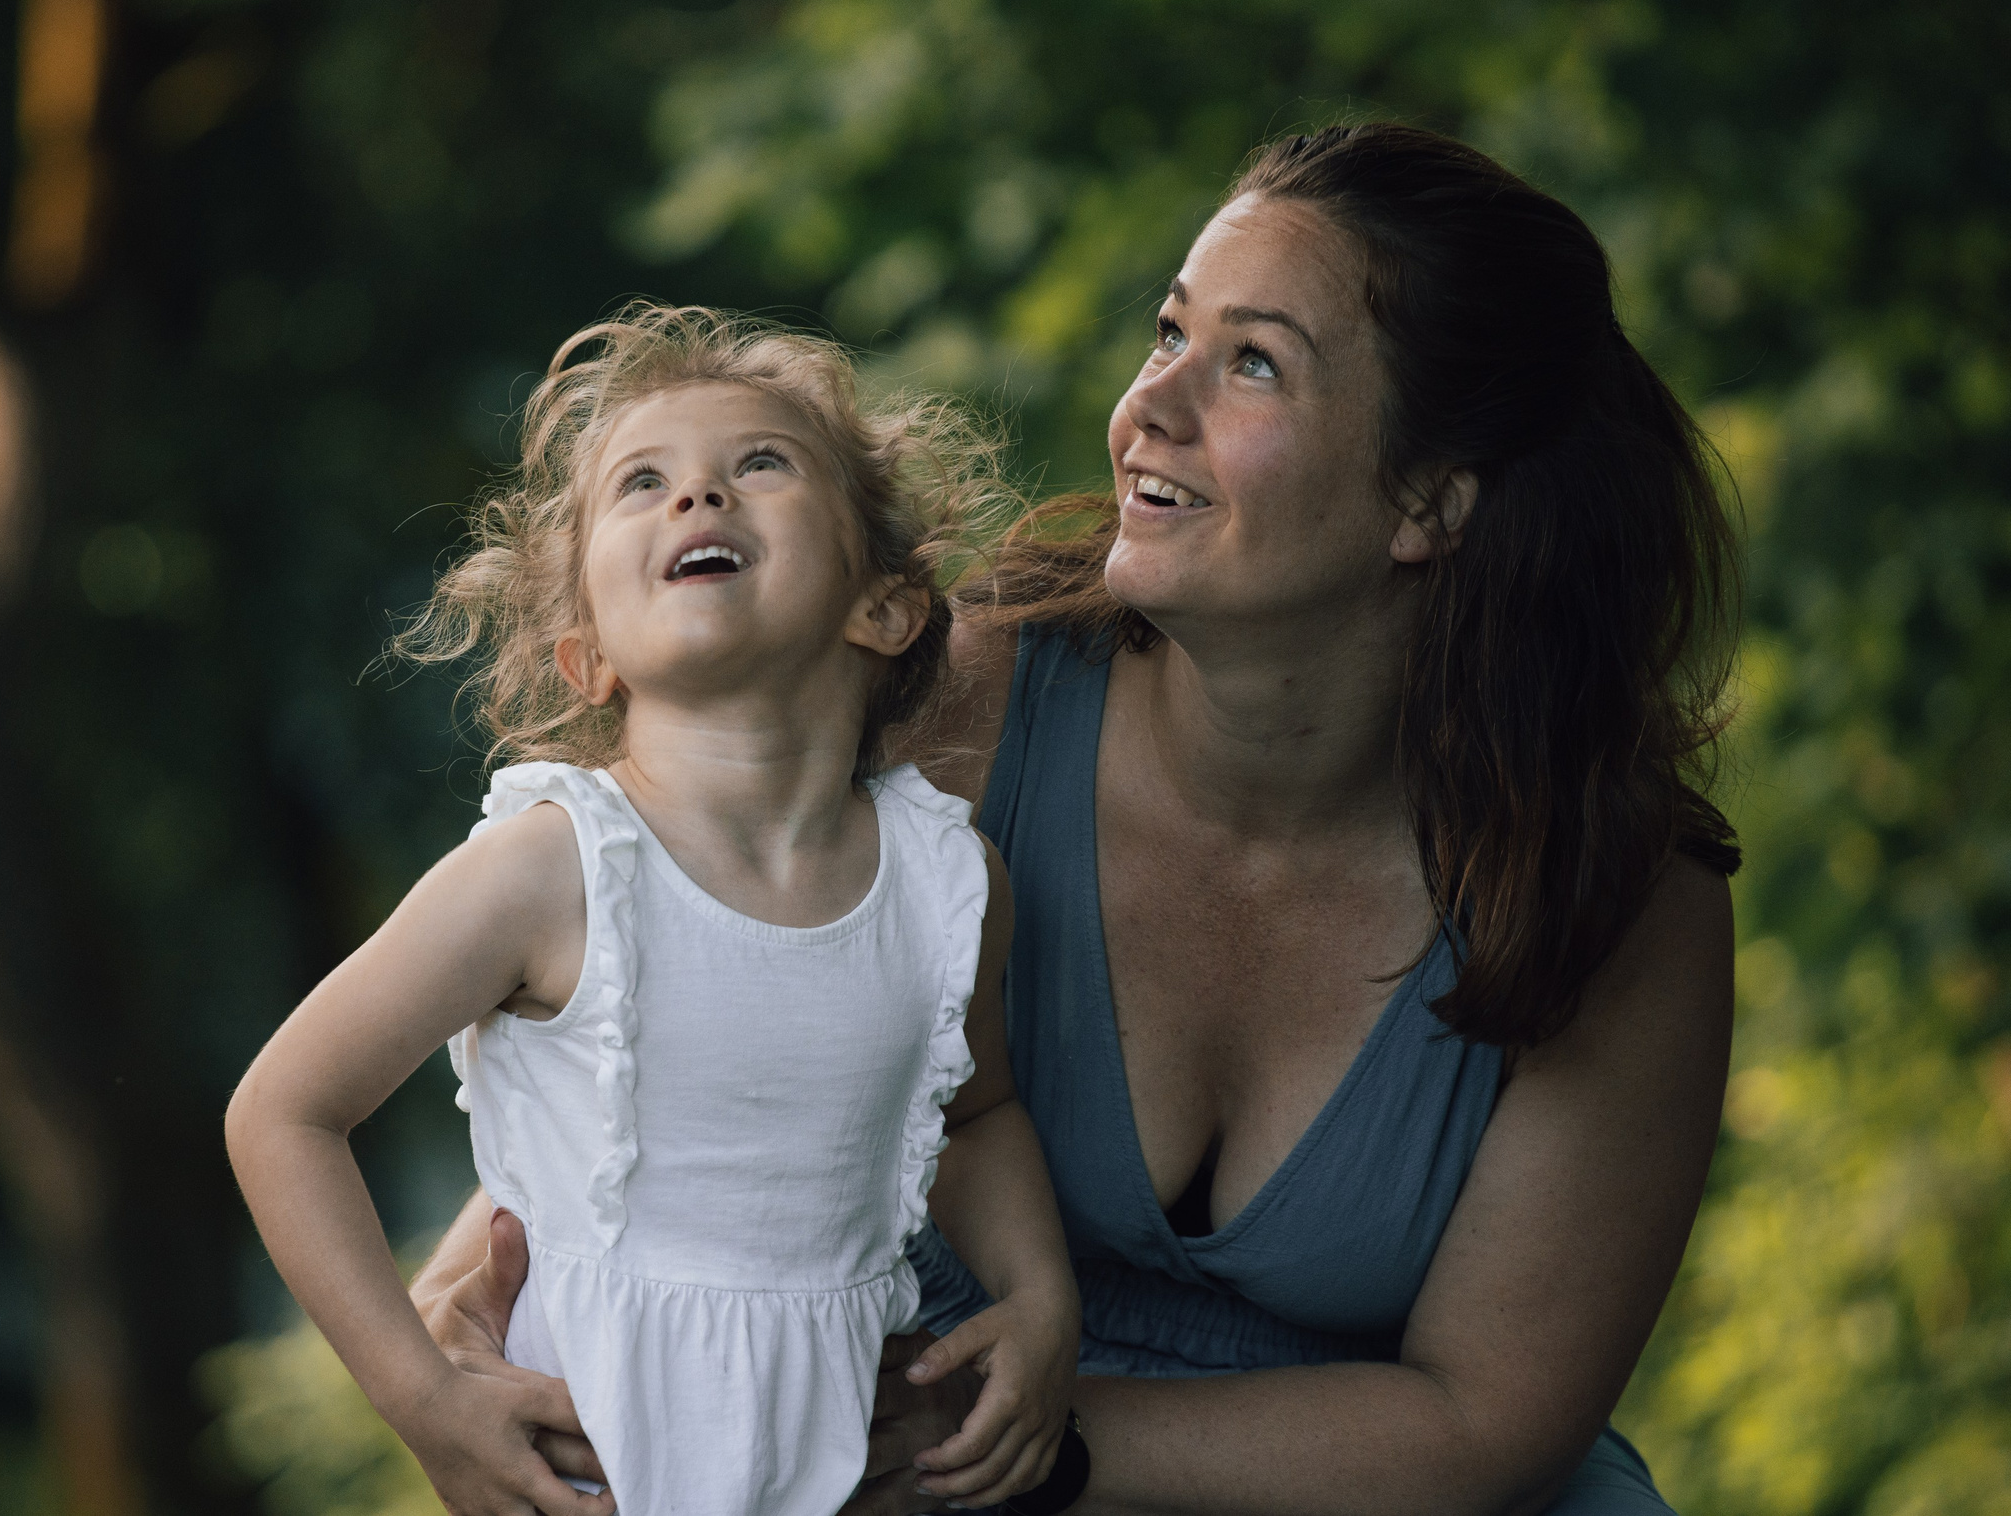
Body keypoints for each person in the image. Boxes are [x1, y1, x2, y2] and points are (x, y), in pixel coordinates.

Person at [414, 125, 1741, 1516]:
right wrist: (471, 1302)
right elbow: (666, 1008)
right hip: (872, 1454)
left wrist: (999, 1440)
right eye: (1171, 331)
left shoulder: (1614, 886)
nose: (1150, 405)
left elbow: (1482, 1425)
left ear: (1430, 497)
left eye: (1253, 362)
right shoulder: (956, 713)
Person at [225, 305, 1084, 1516]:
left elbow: (977, 1110)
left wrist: (1040, 1302)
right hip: (590, 1477)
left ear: (883, 605)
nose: (697, 498)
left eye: (759, 465)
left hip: (843, 1479)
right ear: (589, 656)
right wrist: (425, 1402)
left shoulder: (946, 885)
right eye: (643, 483)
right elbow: (282, 1113)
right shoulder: (553, 869)